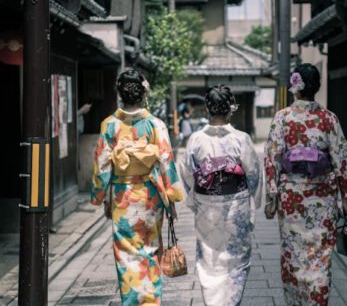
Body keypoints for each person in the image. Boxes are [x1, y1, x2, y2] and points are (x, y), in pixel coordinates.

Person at [264, 64, 347, 305]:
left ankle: (296, 302)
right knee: (320, 257)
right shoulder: (328, 118)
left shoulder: (282, 118)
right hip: (323, 200)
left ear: (295, 87)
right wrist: (345, 199)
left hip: (291, 200)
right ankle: (317, 300)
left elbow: (272, 158)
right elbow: (341, 158)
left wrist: (272, 196)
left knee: (293, 254)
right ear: (316, 88)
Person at [91, 69, 183, 305]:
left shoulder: (109, 125)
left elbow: (102, 167)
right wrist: (171, 198)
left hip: (123, 196)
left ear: (119, 94)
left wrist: (102, 196)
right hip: (151, 196)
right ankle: (151, 302)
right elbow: (166, 162)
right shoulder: (155, 124)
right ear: (144, 93)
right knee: (151, 252)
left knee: (127, 258)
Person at [179, 85, 263, 306]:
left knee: (209, 261)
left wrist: (196, 198)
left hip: (207, 205)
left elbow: (188, 174)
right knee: (237, 261)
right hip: (236, 205)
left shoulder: (196, 140)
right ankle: (231, 302)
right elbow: (253, 174)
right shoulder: (241, 139)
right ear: (229, 109)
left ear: (208, 108)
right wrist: (251, 199)